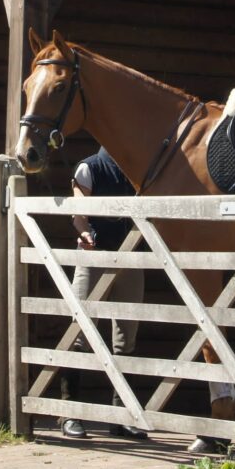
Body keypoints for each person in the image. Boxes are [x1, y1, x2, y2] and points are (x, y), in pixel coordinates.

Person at [61, 147, 147, 440]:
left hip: (131, 258)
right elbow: (79, 212)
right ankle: (71, 412)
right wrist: (84, 231)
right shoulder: (90, 167)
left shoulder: (140, 165)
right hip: (93, 255)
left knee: (126, 337)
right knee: (81, 333)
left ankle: (123, 416)